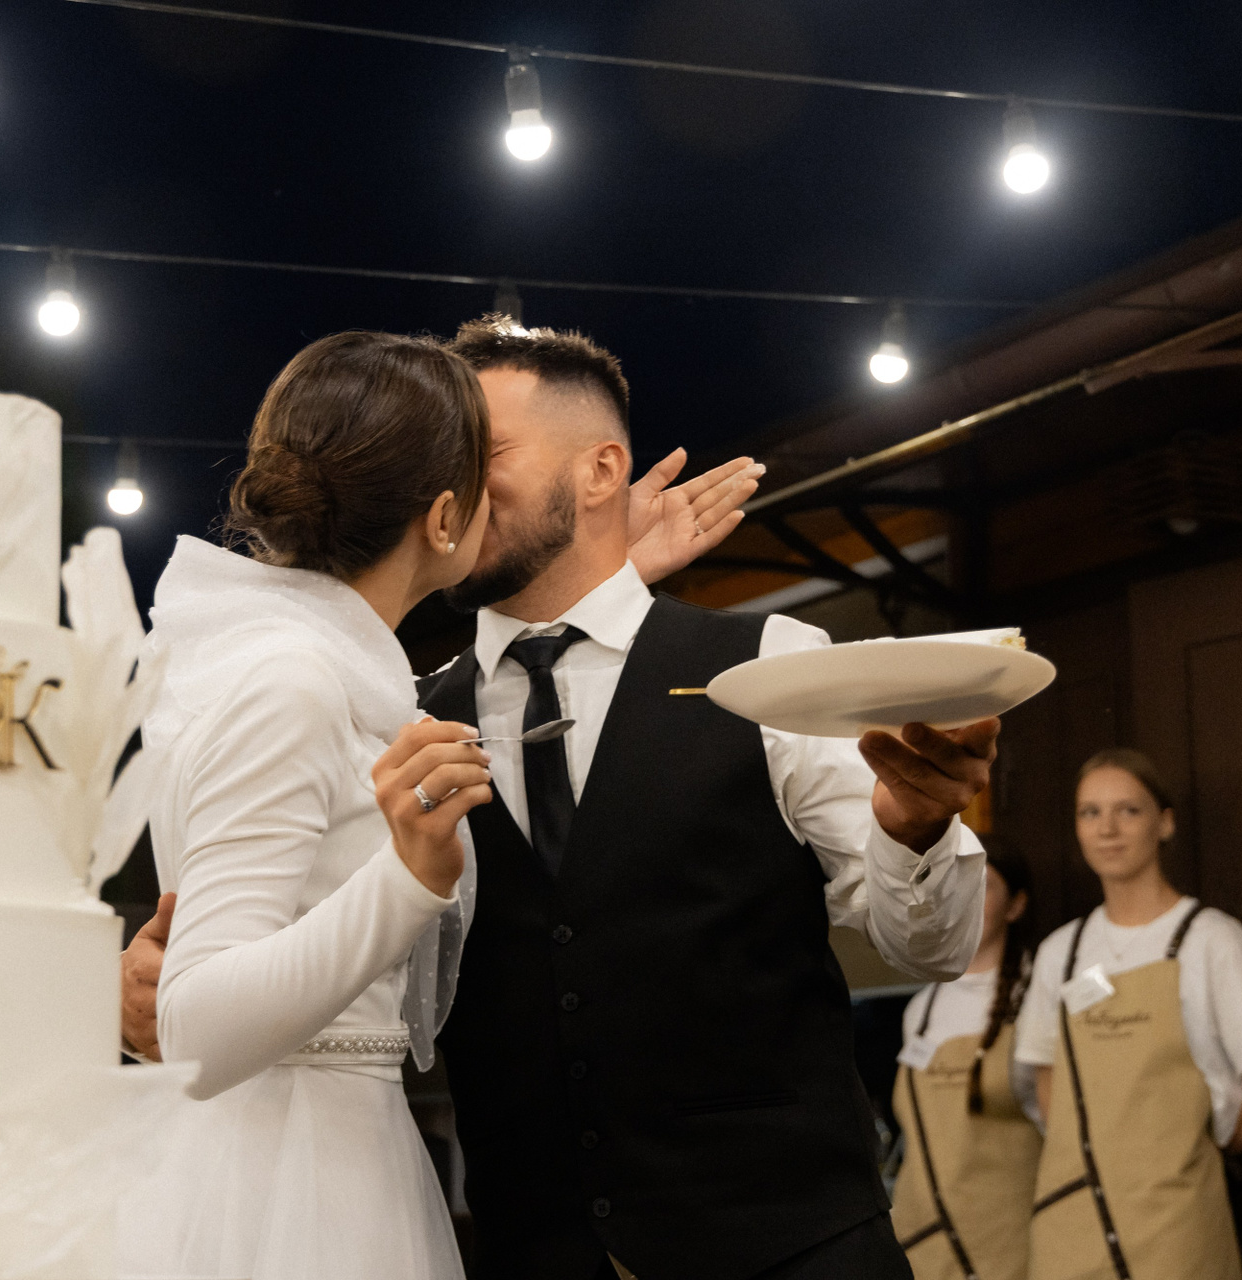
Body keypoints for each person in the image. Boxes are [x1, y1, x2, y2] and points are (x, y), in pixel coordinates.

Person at [115, 329, 759, 1280]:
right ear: (448, 516)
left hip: (320, 1152)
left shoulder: (317, 667)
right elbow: (201, 1027)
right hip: (298, 1184)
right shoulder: (293, 682)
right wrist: (409, 880)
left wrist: (607, 583)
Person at [413, 317, 993, 1280]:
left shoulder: (771, 667)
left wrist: (916, 829)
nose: (450, 483)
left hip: (794, 1249)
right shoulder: (410, 722)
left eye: (487, 452)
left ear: (601, 471)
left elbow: (928, 948)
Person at [1014, 748, 1242, 1280]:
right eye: (1090, 812)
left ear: (1165, 823)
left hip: (1177, 1224)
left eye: (1128, 810)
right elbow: (1045, 1077)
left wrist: (1188, 1155)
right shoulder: (1060, 952)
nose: (1107, 829)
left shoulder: (1213, 940)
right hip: (1073, 1216)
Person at [890, 840, 1042, 1280]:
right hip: (925, 1246)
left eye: (984, 886)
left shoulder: (1039, 993)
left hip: (1014, 1247)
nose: (967, 898)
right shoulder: (921, 1009)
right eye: (955, 884)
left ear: (1016, 906)